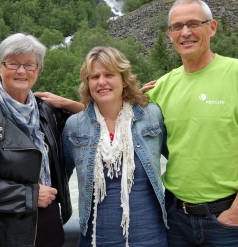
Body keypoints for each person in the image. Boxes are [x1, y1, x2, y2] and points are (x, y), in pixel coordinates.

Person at [143, 0, 238, 246]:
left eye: (194, 23)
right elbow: (117, 118)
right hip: (175, 219)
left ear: (212, 27)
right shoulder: (160, 88)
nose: (185, 33)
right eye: (177, 26)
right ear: (169, 34)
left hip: (225, 220)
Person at [0, 33, 76, 247]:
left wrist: (70, 104)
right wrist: (29, 196)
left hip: (50, 228)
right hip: (2, 236)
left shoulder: (49, 111)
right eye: (14, 64)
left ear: (38, 71)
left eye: (29, 65)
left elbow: (94, 121)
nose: (22, 71)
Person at [63, 46, 168, 247]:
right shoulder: (74, 126)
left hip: (151, 237)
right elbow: (59, 179)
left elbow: (179, 160)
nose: (102, 82)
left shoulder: (151, 115)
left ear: (123, 78)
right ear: (87, 83)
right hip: (96, 239)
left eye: (109, 74)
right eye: (94, 77)